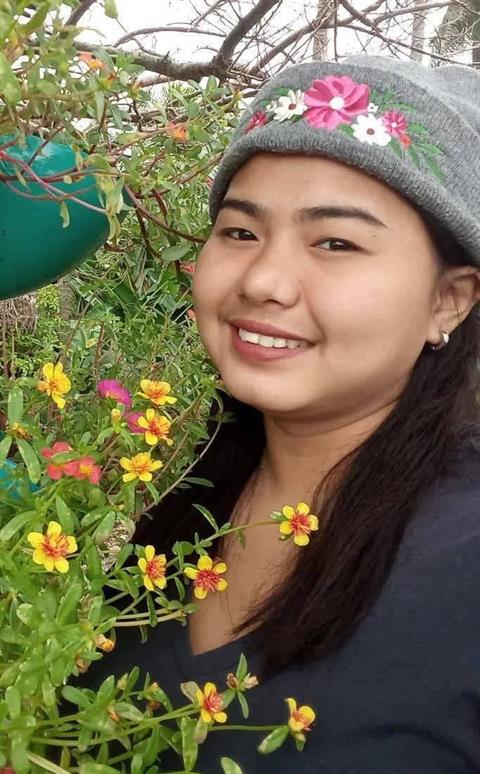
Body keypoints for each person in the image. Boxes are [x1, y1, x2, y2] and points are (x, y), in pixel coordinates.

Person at [84, 55, 480, 772]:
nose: (264, 280)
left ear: (448, 300)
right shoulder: (178, 501)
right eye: (240, 232)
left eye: (336, 242)